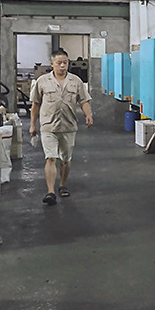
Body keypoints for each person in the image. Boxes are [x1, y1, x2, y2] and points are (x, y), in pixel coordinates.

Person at [29, 48, 94, 205]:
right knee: (51, 158)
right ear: (52, 64)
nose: (63, 66)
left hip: (68, 125)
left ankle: (63, 185)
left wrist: (88, 115)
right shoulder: (42, 81)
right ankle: (50, 192)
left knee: (65, 159)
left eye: (65, 63)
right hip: (48, 126)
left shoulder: (76, 81)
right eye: (59, 63)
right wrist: (32, 125)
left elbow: (83, 100)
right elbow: (35, 104)